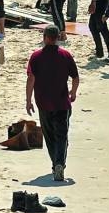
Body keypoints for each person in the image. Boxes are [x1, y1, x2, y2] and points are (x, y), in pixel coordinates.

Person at [25, 24, 80, 182]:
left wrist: (28, 100)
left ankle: (55, 163)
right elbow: (75, 77)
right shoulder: (65, 55)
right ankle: (59, 164)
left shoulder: (36, 57)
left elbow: (31, 79)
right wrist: (73, 92)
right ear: (57, 38)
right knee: (62, 136)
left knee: (49, 136)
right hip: (62, 103)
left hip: (43, 103)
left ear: (44, 37)